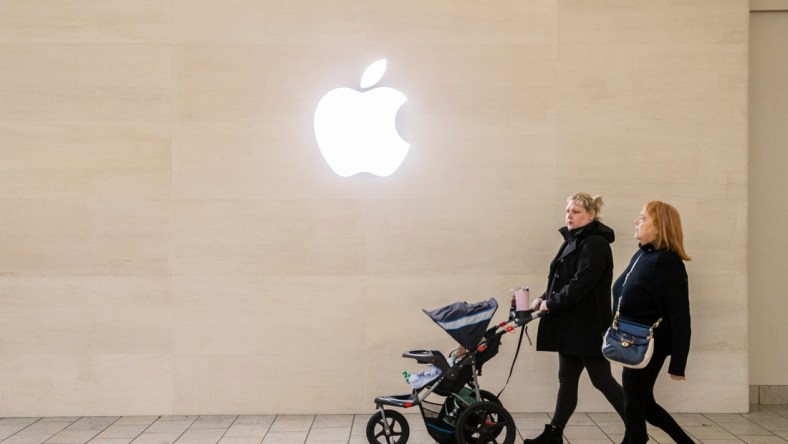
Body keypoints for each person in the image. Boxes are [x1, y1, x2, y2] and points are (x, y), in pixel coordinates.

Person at [526, 193, 625, 444]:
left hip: (587, 326)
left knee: (602, 380)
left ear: (591, 215)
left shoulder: (595, 243)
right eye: (567, 211)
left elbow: (581, 284)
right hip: (571, 325)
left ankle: (637, 429)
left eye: (576, 211)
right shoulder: (573, 240)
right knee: (567, 380)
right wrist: (542, 297)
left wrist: (552, 303)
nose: (569, 215)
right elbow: (563, 280)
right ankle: (555, 434)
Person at [613, 201, 692, 444]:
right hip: (631, 339)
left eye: (643, 218)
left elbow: (680, 315)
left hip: (648, 344)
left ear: (661, 227)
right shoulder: (643, 255)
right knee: (645, 406)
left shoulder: (667, 262)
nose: (636, 221)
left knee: (635, 411)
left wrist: (678, 362)